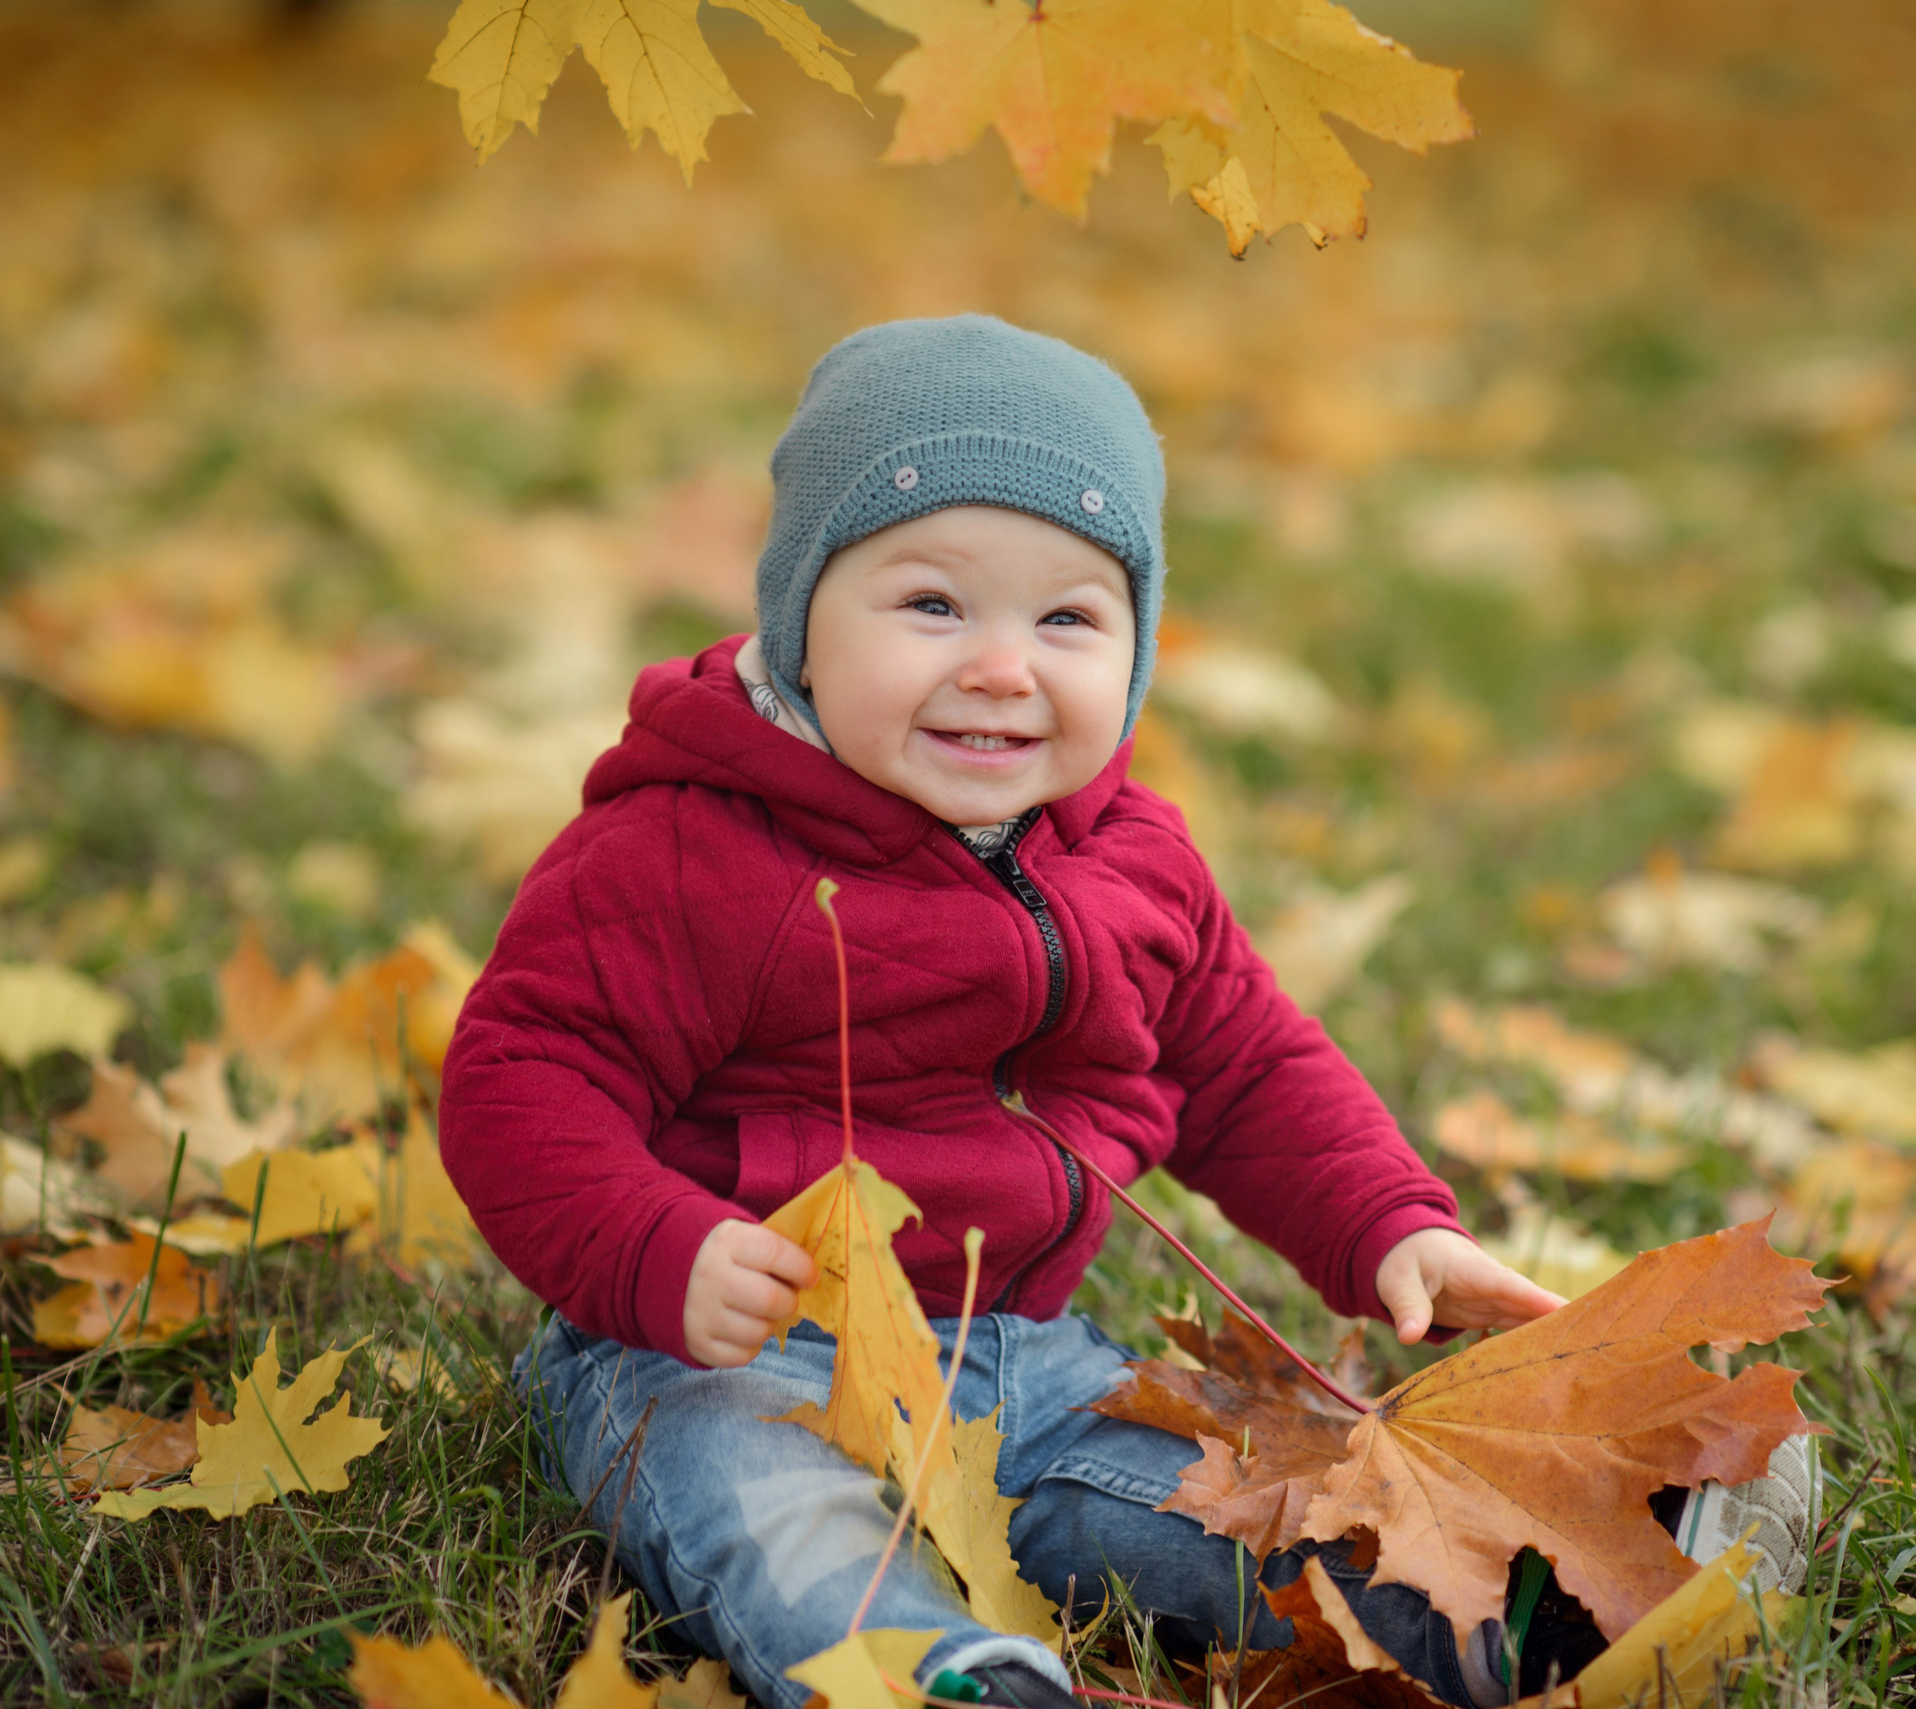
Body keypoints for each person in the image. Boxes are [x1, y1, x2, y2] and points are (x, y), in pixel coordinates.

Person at [439, 315, 1812, 1709]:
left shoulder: (1127, 857)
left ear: (1136, 647)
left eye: (1067, 618)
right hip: (726, 1351)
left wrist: (1394, 1220)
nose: (1000, 666)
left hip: (1027, 1365)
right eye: (932, 605)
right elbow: (521, 1074)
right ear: (801, 620)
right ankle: (944, 1682)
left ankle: (1530, 1616)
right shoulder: (688, 849)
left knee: (1228, 1506)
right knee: (772, 1516)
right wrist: (659, 1250)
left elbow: (1244, 1060)